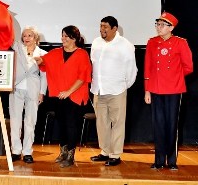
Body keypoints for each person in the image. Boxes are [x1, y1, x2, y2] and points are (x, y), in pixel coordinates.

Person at [35, 25, 91, 167]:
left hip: (75, 96)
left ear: (74, 38)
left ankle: (70, 157)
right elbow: (43, 61)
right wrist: (33, 55)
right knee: (61, 125)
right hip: (59, 96)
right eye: (62, 35)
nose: (63, 38)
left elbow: (83, 77)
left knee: (71, 126)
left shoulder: (82, 54)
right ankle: (63, 152)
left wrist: (68, 92)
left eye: (66, 36)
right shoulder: (55, 52)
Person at [144, 12, 193, 170]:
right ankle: (158, 161)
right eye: (157, 24)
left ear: (171, 27)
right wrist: (147, 90)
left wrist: (174, 76)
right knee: (157, 125)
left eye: (162, 25)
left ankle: (171, 161)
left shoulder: (180, 43)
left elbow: (188, 67)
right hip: (156, 89)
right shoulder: (152, 43)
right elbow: (148, 68)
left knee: (172, 125)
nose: (159, 27)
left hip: (173, 90)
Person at [89, 16, 137, 166]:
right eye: (101, 26)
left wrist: (123, 86)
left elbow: (132, 70)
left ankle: (115, 155)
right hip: (98, 90)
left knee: (117, 123)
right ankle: (105, 152)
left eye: (105, 27)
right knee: (102, 123)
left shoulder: (125, 45)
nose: (102, 29)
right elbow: (93, 64)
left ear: (115, 29)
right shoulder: (96, 42)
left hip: (117, 90)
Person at [9, 26, 47, 163]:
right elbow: (7, 36)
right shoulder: (17, 48)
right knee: (15, 121)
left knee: (30, 121)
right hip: (16, 88)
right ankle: (15, 150)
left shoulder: (42, 53)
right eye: (24, 36)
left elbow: (44, 75)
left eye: (30, 36)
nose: (26, 38)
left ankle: (27, 152)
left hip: (33, 90)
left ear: (36, 38)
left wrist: (42, 92)